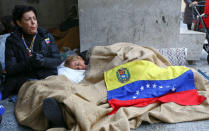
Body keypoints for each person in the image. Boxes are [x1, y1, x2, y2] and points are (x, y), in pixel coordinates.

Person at [0, 5, 62, 99]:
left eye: (34, 18)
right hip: (25, 80)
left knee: (64, 86)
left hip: (47, 77)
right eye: (28, 19)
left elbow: (57, 60)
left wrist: (43, 61)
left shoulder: (46, 36)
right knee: (37, 90)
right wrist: (28, 63)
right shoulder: (12, 41)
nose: (33, 22)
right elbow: (10, 69)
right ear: (19, 23)